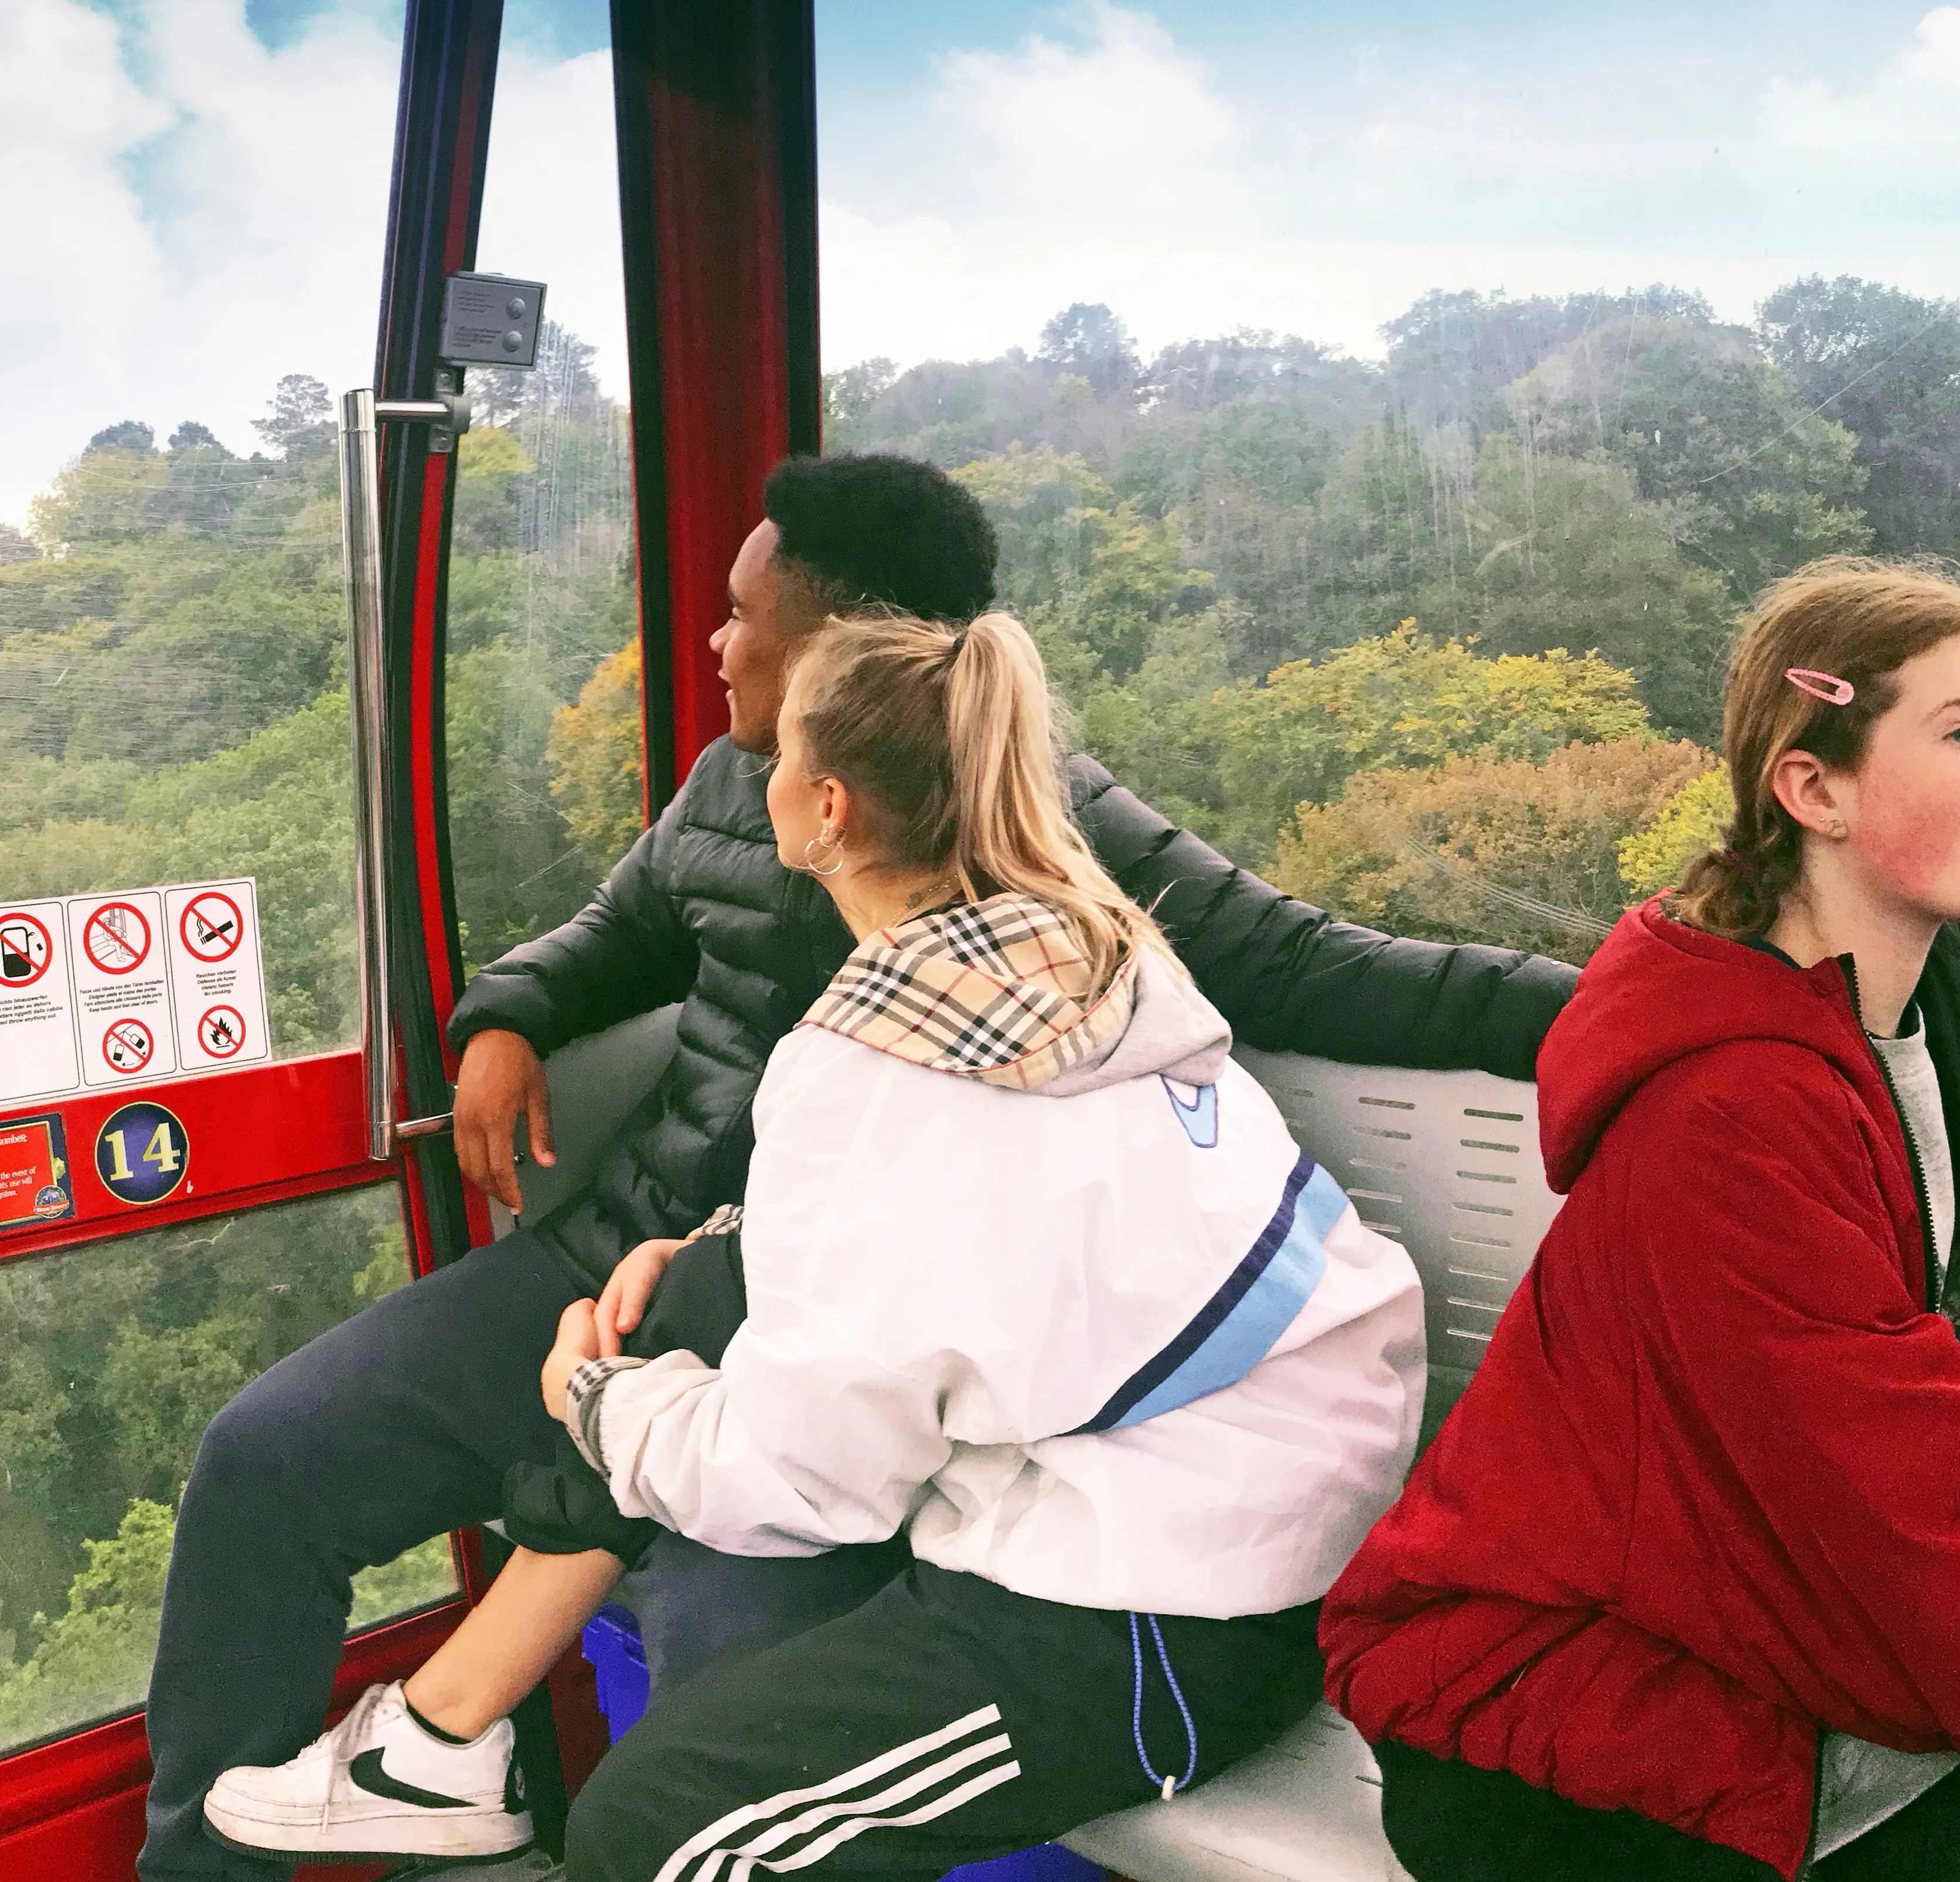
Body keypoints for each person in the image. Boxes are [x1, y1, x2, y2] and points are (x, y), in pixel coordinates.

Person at [151, 454, 1572, 1881]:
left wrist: (1639, 1005)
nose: (714, 644)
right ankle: (222, 1855)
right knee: (265, 1461)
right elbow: (615, 932)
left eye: (740, 612)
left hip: (838, 1358)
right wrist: (508, 1014)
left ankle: (453, 1743)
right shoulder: (722, 792)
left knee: (716, 1686)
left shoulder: (1037, 842)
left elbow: (1328, 972)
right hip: (641, 1257)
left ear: (845, 664)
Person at [1320, 558, 1960, 1881]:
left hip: (1793, 1654)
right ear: (1812, 788)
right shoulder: (1725, 1121)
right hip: (1574, 1703)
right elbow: (1926, 1532)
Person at [511, 605, 1422, 1881]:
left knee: (659, 1832)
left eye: (775, 761)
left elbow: (807, 1483)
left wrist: (599, 1403)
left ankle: (449, 1731)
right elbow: (1000, 1225)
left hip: (1151, 1615)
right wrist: (736, 1243)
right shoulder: (1092, 965)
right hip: (1279, 1524)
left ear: (824, 810)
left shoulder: (873, 1065)